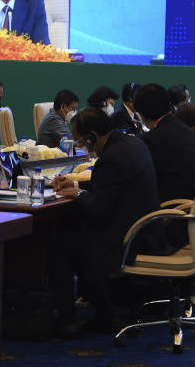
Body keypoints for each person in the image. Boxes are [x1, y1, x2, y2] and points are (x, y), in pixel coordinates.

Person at [51, 107, 163, 334]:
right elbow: (110, 187)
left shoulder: (111, 157)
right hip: (145, 230)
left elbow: (98, 209)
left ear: (91, 136)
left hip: (126, 238)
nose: (82, 146)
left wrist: (79, 194)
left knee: (60, 243)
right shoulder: (131, 144)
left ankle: (69, 322)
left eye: (80, 141)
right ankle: (103, 309)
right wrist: (76, 186)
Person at [134, 84, 195, 249]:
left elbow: (136, 183)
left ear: (141, 114)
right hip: (194, 218)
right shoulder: (189, 132)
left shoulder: (152, 140)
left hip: (170, 223)